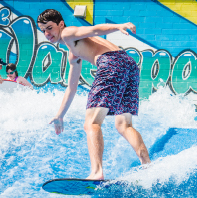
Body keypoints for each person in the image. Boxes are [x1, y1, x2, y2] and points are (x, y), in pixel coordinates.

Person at [37, 9, 151, 180]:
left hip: (111, 63)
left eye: (49, 28)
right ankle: (147, 165)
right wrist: (60, 115)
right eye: (43, 30)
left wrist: (120, 26)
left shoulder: (68, 33)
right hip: (129, 65)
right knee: (123, 125)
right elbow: (71, 87)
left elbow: (96, 29)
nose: (47, 33)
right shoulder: (73, 52)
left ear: (60, 24)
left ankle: (97, 172)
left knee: (91, 123)